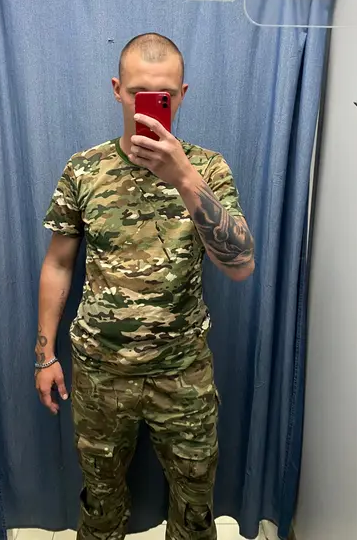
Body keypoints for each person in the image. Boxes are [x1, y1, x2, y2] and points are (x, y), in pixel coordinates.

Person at [35, 33, 255, 540]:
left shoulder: (208, 168)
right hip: (100, 373)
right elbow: (58, 264)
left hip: (183, 372)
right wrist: (45, 355)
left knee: (195, 508)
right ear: (117, 89)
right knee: (101, 503)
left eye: (164, 95)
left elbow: (240, 265)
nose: (150, 105)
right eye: (137, 92)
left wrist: (183, 177)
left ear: (182, 94)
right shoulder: (84, 168)